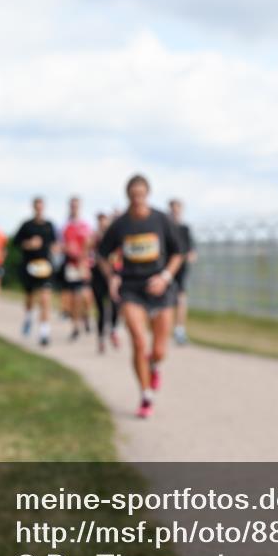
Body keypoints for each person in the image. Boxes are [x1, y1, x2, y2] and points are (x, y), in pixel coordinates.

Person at [98, 175, 183, 418]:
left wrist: (165, 277)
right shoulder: (120, 224)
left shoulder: (161, 220)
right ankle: (146, 395)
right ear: (127, 195)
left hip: (160, 288)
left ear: (148, 194)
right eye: (133, 195)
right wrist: (112, 277)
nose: (137, 199)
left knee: (159, 350)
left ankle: (153, 365)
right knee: (138, 341)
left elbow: (178, 253)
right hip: (131, 289)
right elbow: (102, 255)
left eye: (141, 195)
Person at [14, 197, 59, 346]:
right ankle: (28, 317)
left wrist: (57, 250)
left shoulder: (49, 226)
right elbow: (16, 242)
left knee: (45, 299)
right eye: (37, 206)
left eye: (41, 206)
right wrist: (29, 244)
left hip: (45, 266)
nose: (39, 209)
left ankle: (44, 333)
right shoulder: (26, 225)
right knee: (30, 298)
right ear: (33, 207)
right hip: (30, 266)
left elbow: (54, 244)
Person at [59, 196, 93, 340]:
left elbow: (90, 244)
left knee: (85, 296)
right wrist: (66, 249)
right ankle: (75, 327)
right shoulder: (65, 226)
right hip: (71, 265)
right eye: (72, 205)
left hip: (83, 264)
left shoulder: (86, 225)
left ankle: (86, 315)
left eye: (76, 205)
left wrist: (83, 260)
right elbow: (60, 245)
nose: (74, 208)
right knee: (74, 297)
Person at [90, 212, 121, 354]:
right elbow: (86, 253)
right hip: (98, 277)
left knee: (115, 305)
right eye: (100, 222)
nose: (103, 225)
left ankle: (113, 330)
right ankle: (101, 338)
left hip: (113, 276)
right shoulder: (94, 238)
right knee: (101, 310)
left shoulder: (116, 238)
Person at [168, 199, 196, 345]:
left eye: (178, 209)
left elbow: (191, 249)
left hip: (181, 269)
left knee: (181, 299)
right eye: (173, 209)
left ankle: (179, 330)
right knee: (167, 300)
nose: (176, 212)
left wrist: (190, 255)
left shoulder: (185, 229)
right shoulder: (166, 227)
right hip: (167, 269)